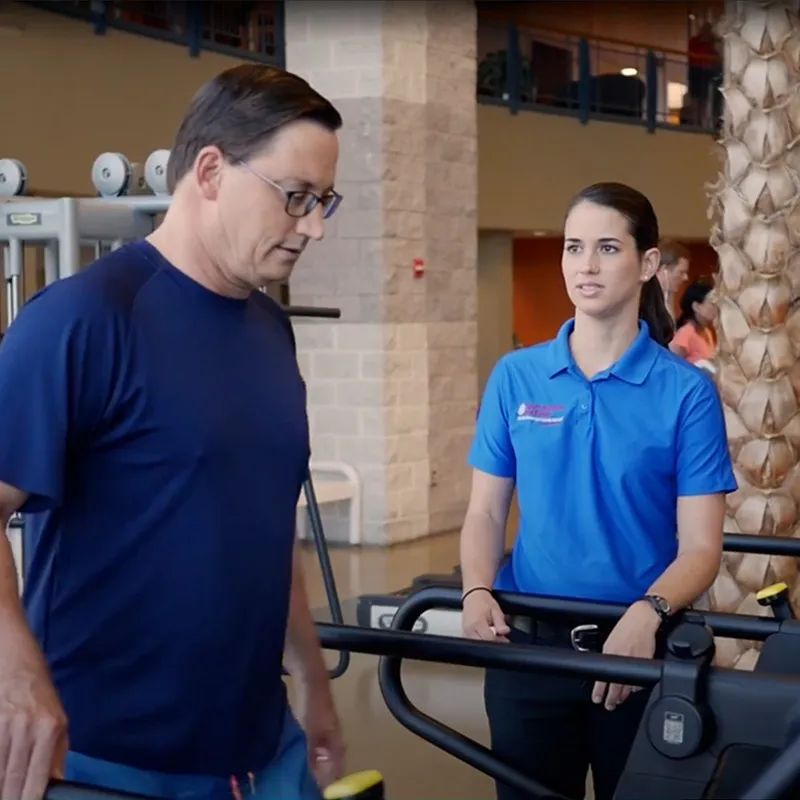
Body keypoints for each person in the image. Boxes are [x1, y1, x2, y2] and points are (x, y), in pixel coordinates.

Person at [0, 64, 346, 800]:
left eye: (324, 202)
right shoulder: (83, 319)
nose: (312, 226)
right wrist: (16, 677)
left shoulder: (270, 332)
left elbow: (262, 527)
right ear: (213, 170)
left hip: (264, 748)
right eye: (296, 198)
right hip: (109, 761)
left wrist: (313, 681)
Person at [459, 182, 736, 800]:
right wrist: (476, 588)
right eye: (574, 247)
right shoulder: (517, 376)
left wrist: (648, 614)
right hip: (529, 647)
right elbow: (484, 510)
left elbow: (700, 548)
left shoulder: (686, 393)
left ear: (647, 265)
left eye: (607, 248)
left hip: (638, 647)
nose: (584, 265)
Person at [670, 280, 717, 365]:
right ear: (696, 306)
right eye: (712, 304)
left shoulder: (707, 332)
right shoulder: (686, 333)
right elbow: (672, 364)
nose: (716, 308)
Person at [655, 239, 690, 323]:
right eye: (681, 272)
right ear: (664, 270)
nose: (686, 277)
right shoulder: (644, 302)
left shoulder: (665, 301)